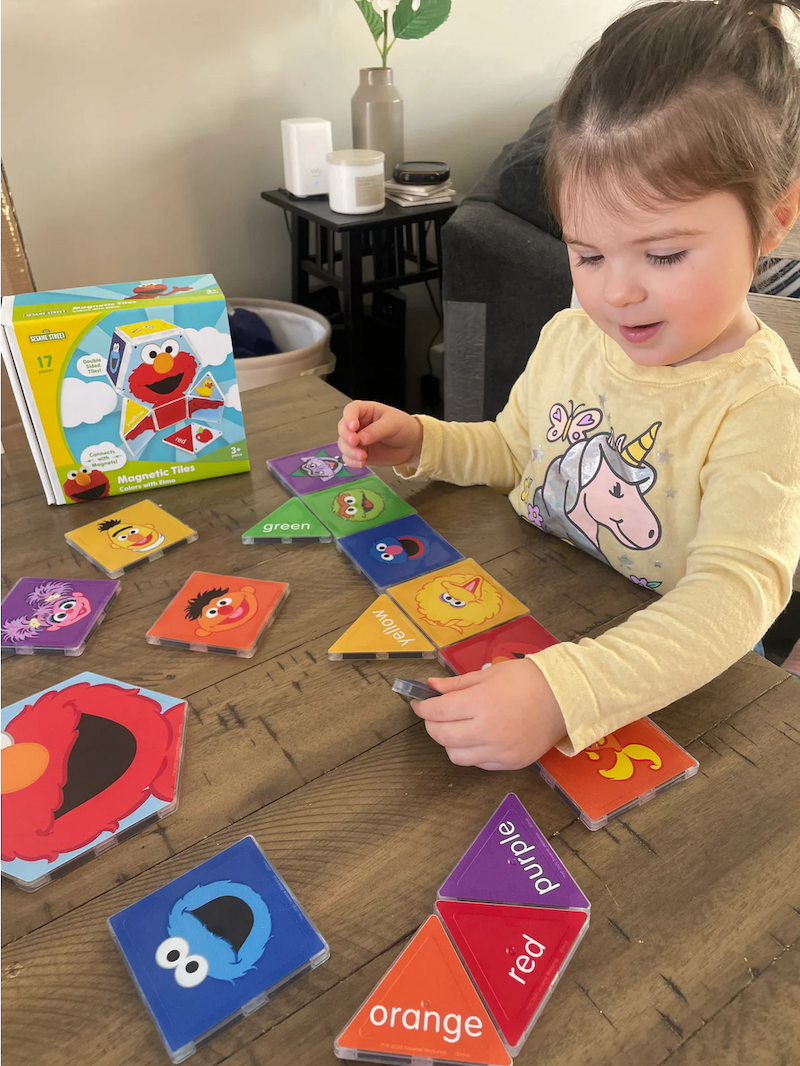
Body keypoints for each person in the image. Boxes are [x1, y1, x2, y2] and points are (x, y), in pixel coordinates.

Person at [337, 0, 800, 770]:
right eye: (588, 255)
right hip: (533, 602)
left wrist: (563, 692)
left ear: (775, 221)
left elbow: (734, 596)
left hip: (669, 692)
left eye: (662, 256)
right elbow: (517, 448)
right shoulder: (573, 333)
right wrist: (425, 439)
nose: (616, 294)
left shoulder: (763, 405)